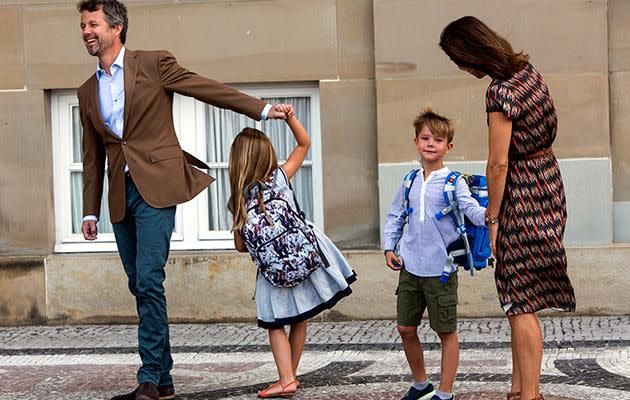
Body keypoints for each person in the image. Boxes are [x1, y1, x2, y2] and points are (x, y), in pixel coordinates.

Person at [76, 1, 290, 399]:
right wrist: (90, 209)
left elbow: (204, 87)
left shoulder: (153, 63)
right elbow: (93, 155)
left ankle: (150, 376)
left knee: (150, 280)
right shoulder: (87, 90)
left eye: (93, 24)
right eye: (83, 25)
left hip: (157, 185)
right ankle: (164, 380)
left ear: (116, 27)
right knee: (139, 283)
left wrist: (261, 109)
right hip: (121, 195)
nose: (86, 31)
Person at [439, 16, 576, 400]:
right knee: (521, 291)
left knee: (519, 297)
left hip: (524, 192)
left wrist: (494, 218)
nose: (462, 68)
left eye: (459, 60)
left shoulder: (500, 93)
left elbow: (498, 163)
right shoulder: (528, 72)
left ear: (472, 55)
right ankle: (519, 389)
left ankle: (529, 395)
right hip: (548, 180)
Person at [228, 106, 356, 398]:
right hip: (305, 258)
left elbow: (239, 246)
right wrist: (289, 118)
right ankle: (291, 375)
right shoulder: (280, 178)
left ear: (237, 162)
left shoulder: (239, 199)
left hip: (272, 273)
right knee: (300, 318)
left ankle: (286, 379)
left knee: (275, 324)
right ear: (267, 155)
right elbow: (304, 144)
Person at [383, 108, 486, 400]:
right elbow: (396, 216)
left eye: (438, 140)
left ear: (448, 147)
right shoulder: (409, 181)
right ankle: (421, 384)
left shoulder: (454, 182)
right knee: (405, 328)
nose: (431, 143)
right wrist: (390, 246)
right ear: (416, 141)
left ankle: (444, 392)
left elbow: (472, 212)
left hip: (442, 270)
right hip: (410, 267)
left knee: (446, 332)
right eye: (425, 138)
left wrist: (492, 214)